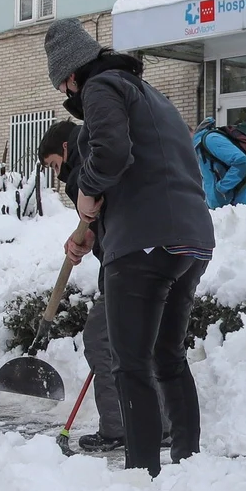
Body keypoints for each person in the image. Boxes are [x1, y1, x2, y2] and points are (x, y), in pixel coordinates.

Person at [44, 19, 213, 477]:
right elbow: (148, 173)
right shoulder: (148, 94)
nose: (68, 94)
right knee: (167, 357)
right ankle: (189, 467)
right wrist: (92, 230)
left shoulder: (101, 87)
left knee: (130, 362)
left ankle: (141, 476)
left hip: (143, 242)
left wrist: (86, 191)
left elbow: (112, 156)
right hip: (189, 239)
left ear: (72, 75)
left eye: (63, 84)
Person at [37, 120, 171, 453]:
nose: (58, 175)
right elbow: (110, 212)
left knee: (100, 337)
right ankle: (162, 426)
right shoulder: (108, 162)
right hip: (151, 253)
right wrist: (88, 236)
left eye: (55, 165)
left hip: (129, 260)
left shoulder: (88, 165)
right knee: (141, 343)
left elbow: (109, 213)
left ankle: (119, 428)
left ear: (66, 149)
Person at [193, 117, 246, 208]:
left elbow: (241, 161)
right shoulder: (197, 149)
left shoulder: (210, 139)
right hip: (227, 210)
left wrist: (222, 187)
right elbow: (209, 180)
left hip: (243, 206)